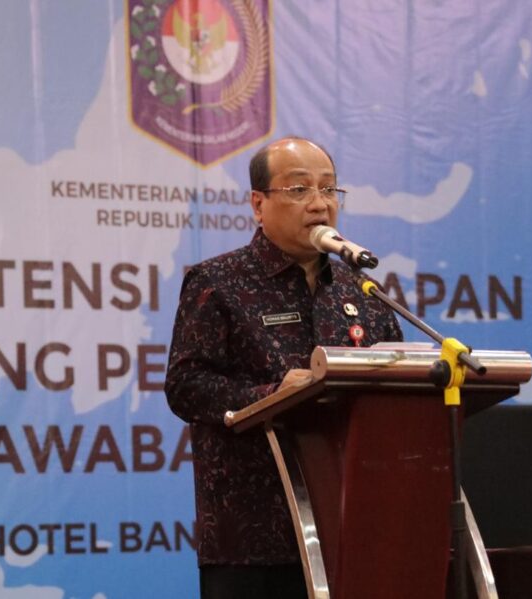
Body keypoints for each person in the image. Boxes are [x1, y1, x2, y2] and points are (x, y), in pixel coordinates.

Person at [165, 137, 403, 598]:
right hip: (256, 536)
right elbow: (186, 386)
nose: (319, 203)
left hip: (354, 528)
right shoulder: (218, 282)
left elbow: (396, 386)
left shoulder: (362, 290)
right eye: (299, 189)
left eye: (329, 189)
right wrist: (273, 396)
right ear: (258, 204)